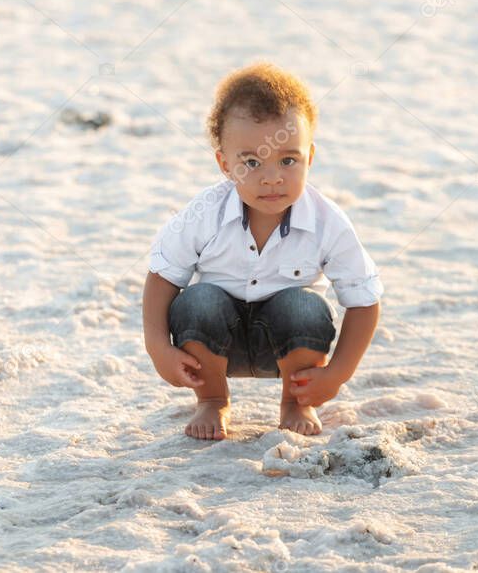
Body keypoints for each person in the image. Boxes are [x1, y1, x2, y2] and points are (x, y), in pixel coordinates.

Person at [142, 62, 383, 440]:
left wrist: (337, 374)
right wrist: (158, 347)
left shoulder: (327, 221)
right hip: (215, 343)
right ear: (224, 163)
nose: (271, 177)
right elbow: (162, 276)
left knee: (304, 307)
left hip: (288, 347)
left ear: (310, 158)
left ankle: (295, 403)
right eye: (251, 162)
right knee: (198, 299)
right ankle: (212, 400)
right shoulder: (205, 213)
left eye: (288, 160)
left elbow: (364, 300)